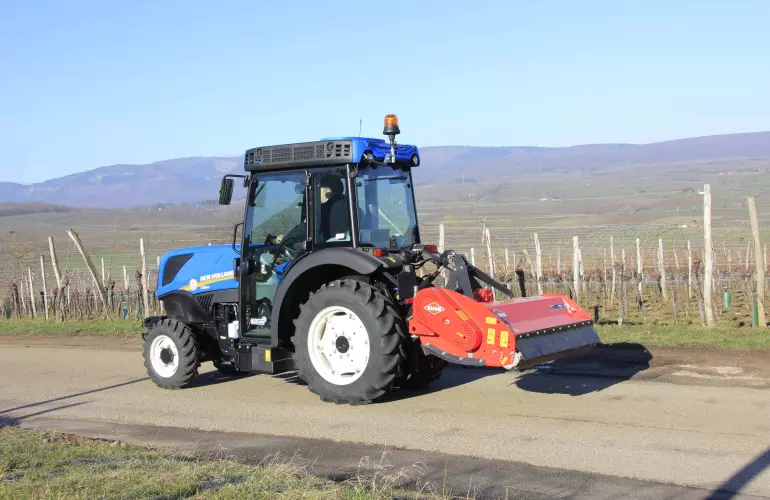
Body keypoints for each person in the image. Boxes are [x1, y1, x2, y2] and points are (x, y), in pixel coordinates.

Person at [319, 174, 350, 241]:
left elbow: (320, 236)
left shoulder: (326, 209)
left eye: (320, 187)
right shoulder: (351, 206)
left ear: (329, 192)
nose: (317, 191)